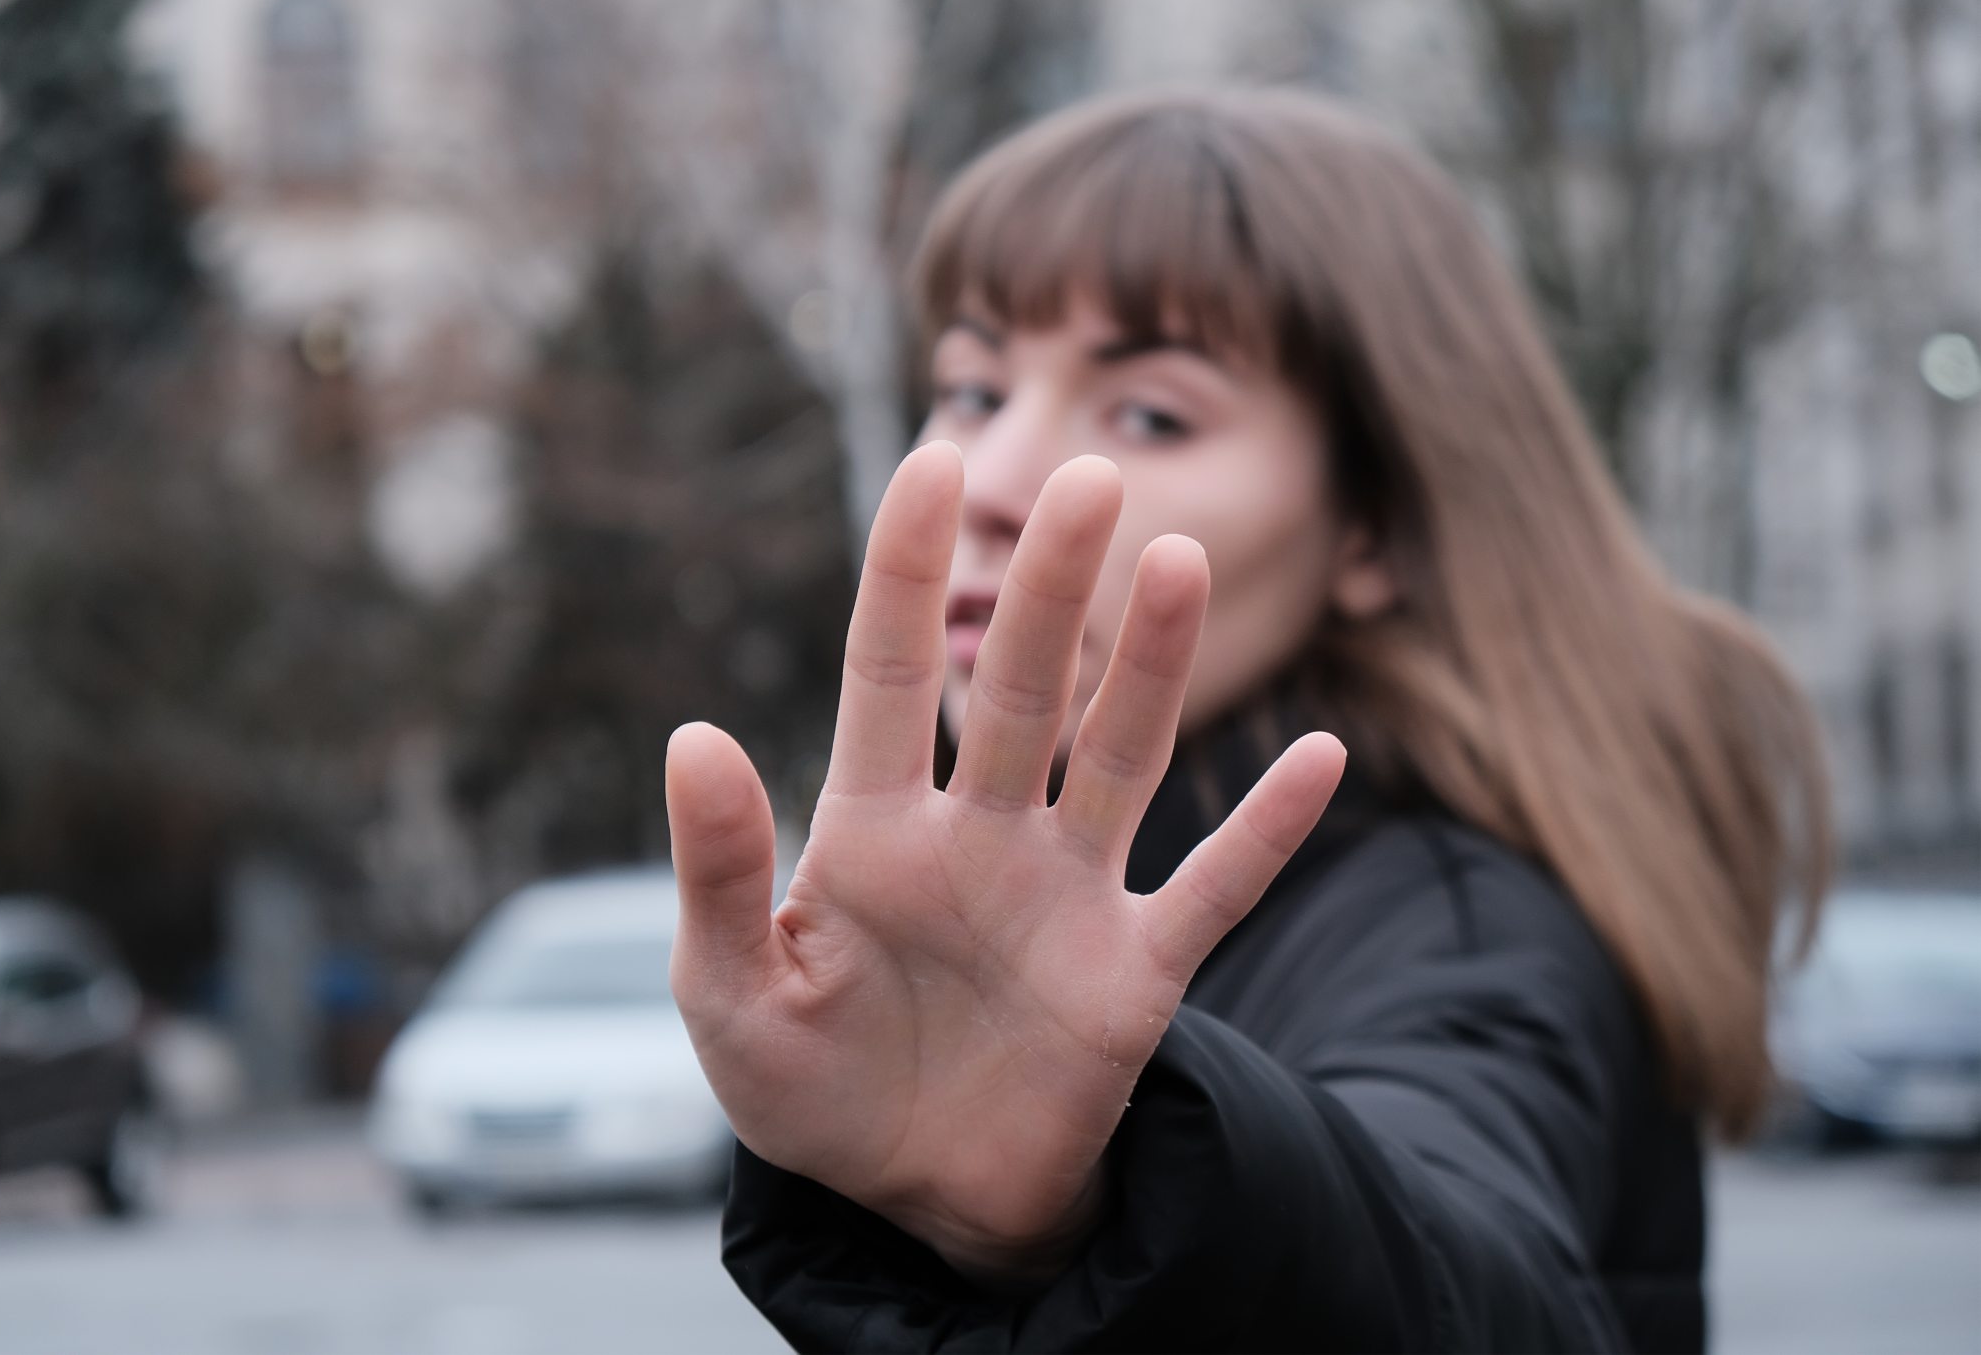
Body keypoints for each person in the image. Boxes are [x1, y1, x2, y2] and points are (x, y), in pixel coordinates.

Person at [663, 87, 1830, 1354]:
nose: (991, 482)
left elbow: (1472, 1265)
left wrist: (1106, 1199)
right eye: (973, 388)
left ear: (1373, 525)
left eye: (1149, 413)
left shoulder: (1465, 926)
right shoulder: (1057, 889)